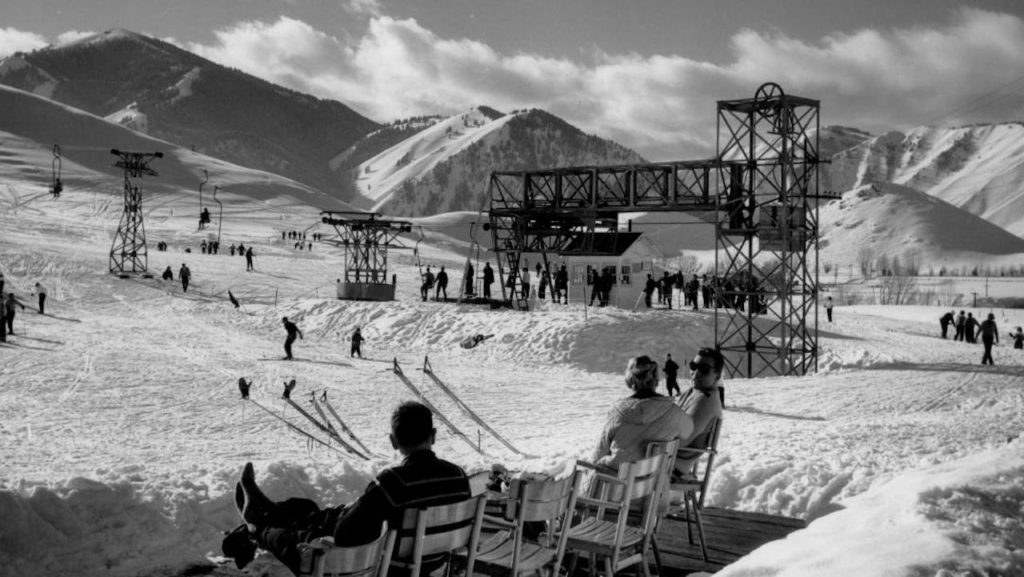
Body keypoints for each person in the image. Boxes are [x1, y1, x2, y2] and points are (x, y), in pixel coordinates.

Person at [231, 401, 471, 575]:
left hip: (387, 565)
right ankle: (271, 510)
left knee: (294, 538)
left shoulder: (394, 482)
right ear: (434, 436)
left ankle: (258, 527)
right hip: (433, 563)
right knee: (315, 511)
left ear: (393, 442)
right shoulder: (459, 478)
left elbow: (345, 534)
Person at [592, 355, 693, 471]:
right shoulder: (674, 412)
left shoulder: (617, 411)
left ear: (630, 379)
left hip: (615, 478)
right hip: (653, 479)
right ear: (656, 379)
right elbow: (688, 431)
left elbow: (600, 452)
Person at [675, 347, 726, 477]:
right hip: (667, 459)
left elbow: (681, 440)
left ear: (717, 375)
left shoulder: (704, 401)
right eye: (693, 366)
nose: (696, 373)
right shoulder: (695, 391)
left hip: (672, 465)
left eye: (704, 369)